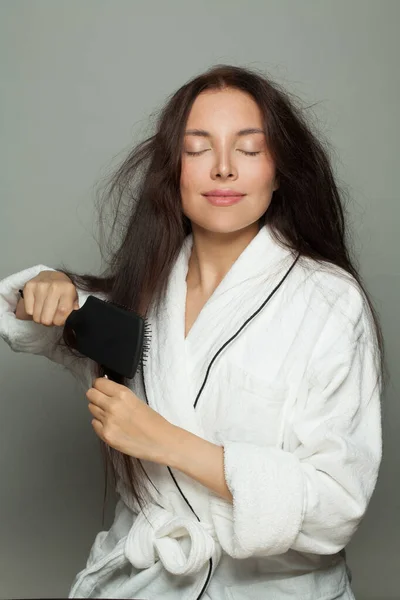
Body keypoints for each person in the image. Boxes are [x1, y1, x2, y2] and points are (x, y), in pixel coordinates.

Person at [0, 64, 384, 600]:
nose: (223, 169)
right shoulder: (142, 289)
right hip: (143, 582)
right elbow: (44, 323)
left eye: (249, 150)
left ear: (279, 171)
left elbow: (336, 504)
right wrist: (47, 287)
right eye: (199, 149)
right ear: (172, 170)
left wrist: (167, 442)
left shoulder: (328, 302)